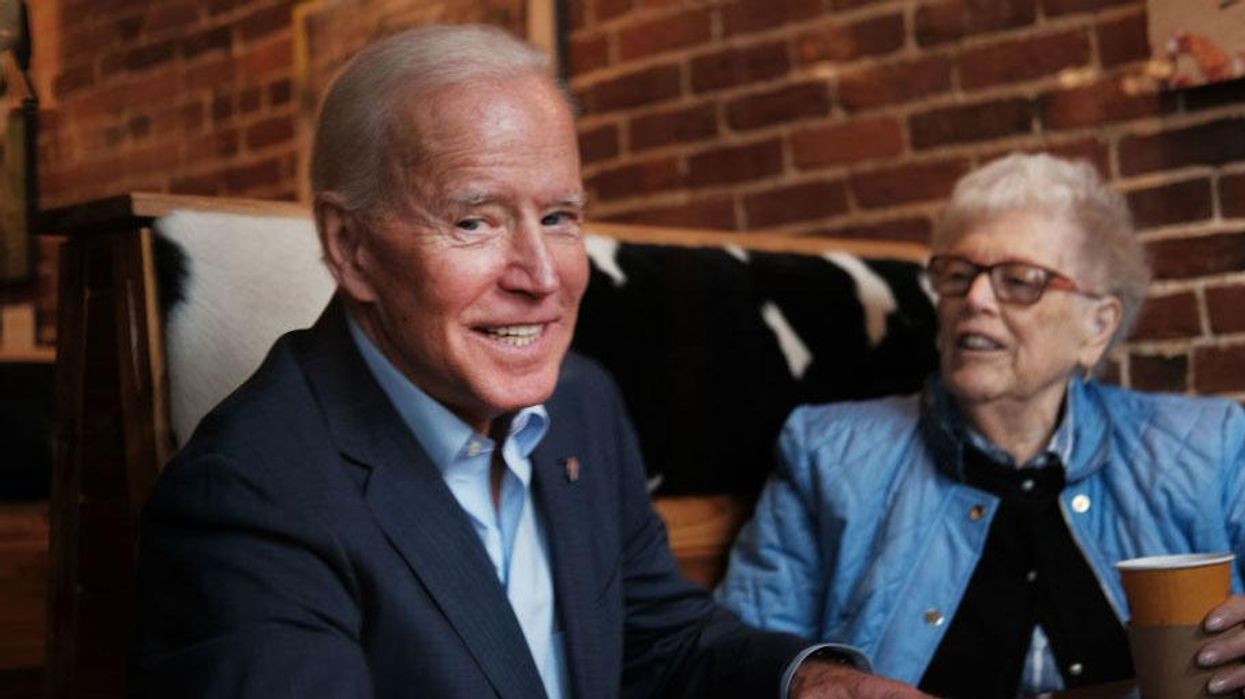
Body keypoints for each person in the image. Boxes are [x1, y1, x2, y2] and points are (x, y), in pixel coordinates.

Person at [133, 24, 929, 699]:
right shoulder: (246, 495)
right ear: (352, 249)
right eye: (474, 222)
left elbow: (655, 636)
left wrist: (815, 682)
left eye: (556, 217)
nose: (542, 277)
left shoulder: (581, 400)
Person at [717, 152, 1245, 697]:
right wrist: (810, 676)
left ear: (1097, 326)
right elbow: (740, 660)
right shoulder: (827, 454)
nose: (975, 300)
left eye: (1019, 280)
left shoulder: (1211, 448)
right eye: (957, 276)